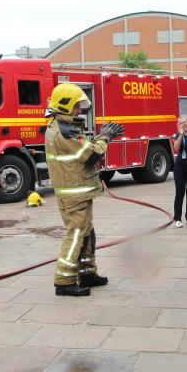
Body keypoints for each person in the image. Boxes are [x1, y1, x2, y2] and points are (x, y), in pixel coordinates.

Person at [43, 84, 124, 297]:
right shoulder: (65, 131)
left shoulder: (61, 126)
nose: (80, 110)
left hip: (79, 191)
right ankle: (64, 281)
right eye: (77, 106)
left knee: (87, 233)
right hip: (74, 194)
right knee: (77, 234)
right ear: (66, 106)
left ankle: (87, 273)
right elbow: (92, 155)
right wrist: (105, 136)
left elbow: (85, 150)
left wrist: (99, 137)